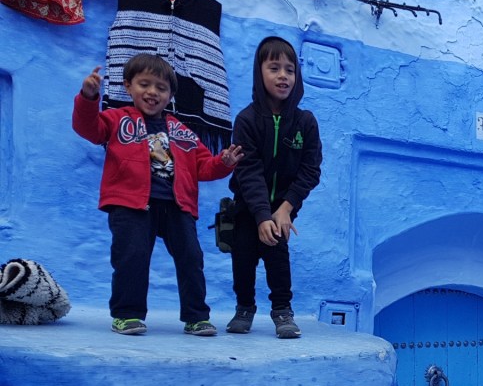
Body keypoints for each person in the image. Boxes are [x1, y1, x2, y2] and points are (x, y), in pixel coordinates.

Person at [73, 53, 243, 336]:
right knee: (132, 257)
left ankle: (196, 317)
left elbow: (204, 166)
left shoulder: (182, 131)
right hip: (131, 204)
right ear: (128, 86)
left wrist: (224, 162)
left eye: (161, 88)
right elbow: (88, 128)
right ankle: (127, 315)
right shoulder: (116, 120)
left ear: (170, 95)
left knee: (191, 258)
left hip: (177, 206)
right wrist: (88, 98)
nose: (152, 92)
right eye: (144, 84)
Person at [226, 36, 323, 339]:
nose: (283, 76)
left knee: (278, 258)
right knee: (242, 258)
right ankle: (244, 308)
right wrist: (260, 215)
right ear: (260, 73)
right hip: (246, 207)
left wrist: (285, 209)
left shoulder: (305, 122)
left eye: (290, 70)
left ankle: (282, 311)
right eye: (274, 68)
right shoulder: (246, 120)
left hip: (282, 208)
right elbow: (249, 170)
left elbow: (311, 170)